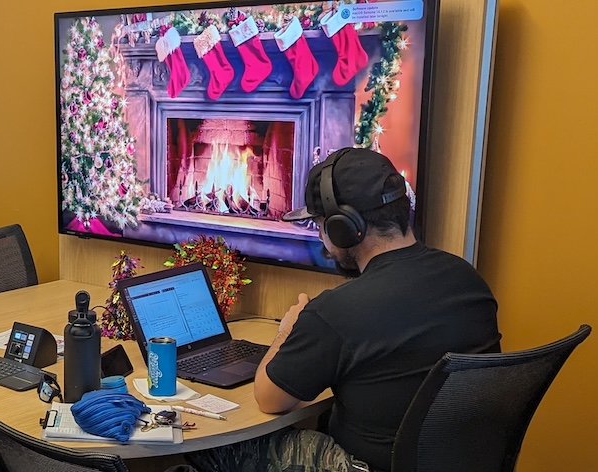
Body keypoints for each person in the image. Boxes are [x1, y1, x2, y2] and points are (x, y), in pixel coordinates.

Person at [186, 148, 501, 472]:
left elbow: (269, 398)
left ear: (344, 229)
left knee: (218, 448)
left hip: (362, 466)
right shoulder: (468, 280)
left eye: (321, 226)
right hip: (461, 461)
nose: (322, 238)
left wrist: (286, 331)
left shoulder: (337, 311)